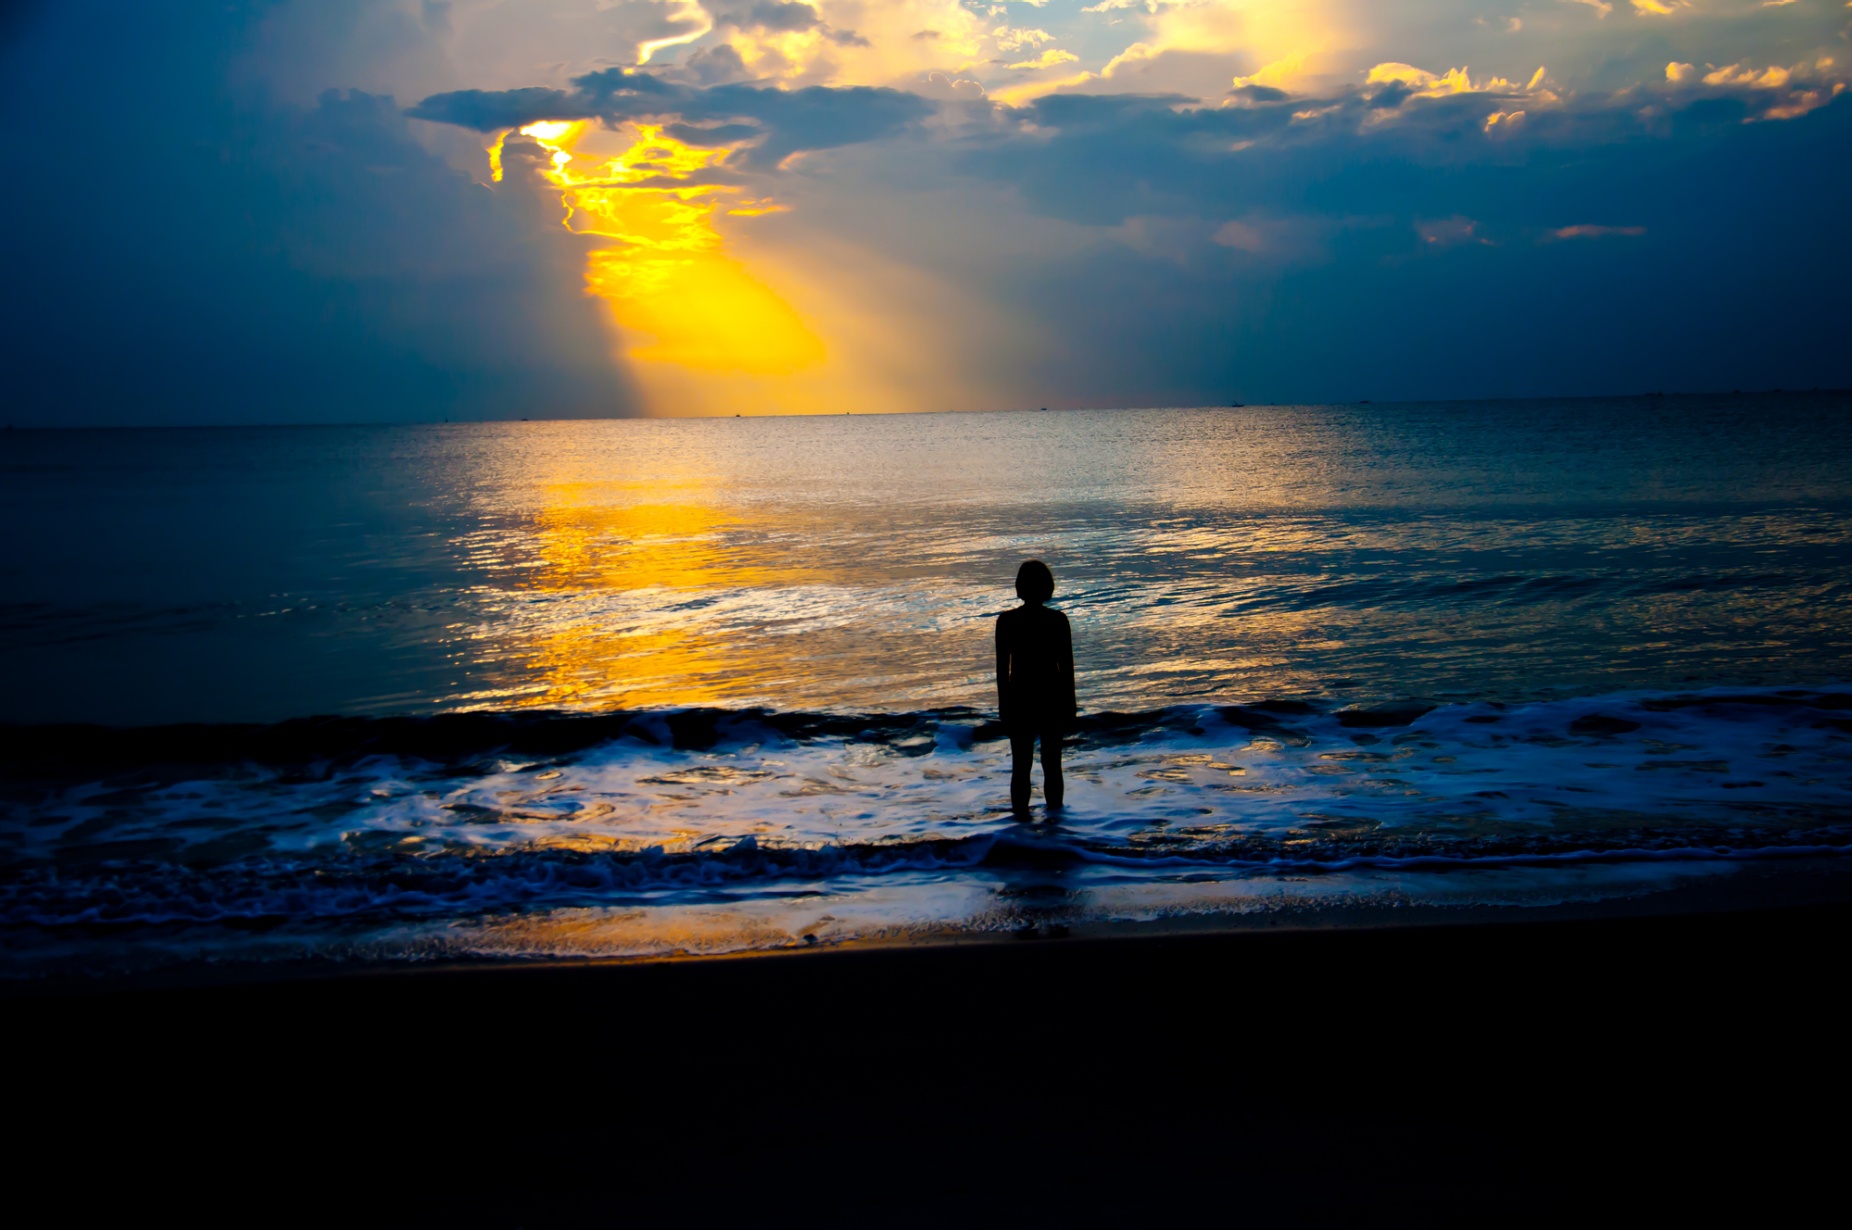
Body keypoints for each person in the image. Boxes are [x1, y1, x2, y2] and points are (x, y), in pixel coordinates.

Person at [995, 559, 1076, 816]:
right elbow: (1067, 669)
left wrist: (1004, 706)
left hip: (1019, 698)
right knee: (1052, 765)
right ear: (1047, 588)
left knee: (1021, 766)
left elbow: (1002, 672)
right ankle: (1055, 821)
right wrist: (1070, 705)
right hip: (1051, 698)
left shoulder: (1006, 622)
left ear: (1020, 587)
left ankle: (1021, 824)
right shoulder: (1058, 621)